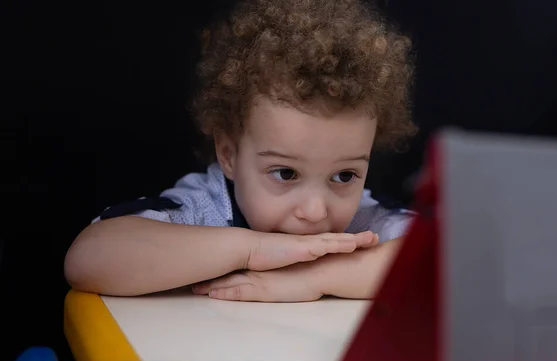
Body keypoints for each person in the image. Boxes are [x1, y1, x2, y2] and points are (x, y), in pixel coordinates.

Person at [64, 0, 417, 302]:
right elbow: (86, 260)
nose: (314, 210)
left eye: (344, 176)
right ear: (229, 155)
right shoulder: (206, 210)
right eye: (286, 173)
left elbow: (451, 260)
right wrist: (252, 249)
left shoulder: (362, 223)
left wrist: (313, 277)